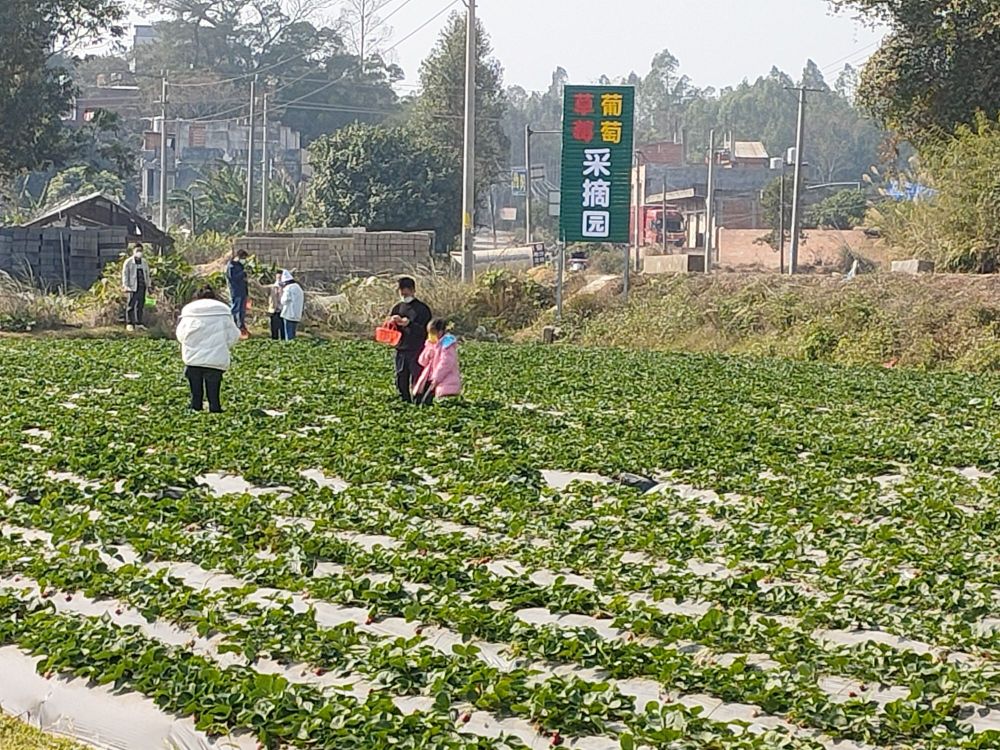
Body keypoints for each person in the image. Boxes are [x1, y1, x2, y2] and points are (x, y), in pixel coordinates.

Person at [175, 286, 241, 413]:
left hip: (193, 358)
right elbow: (234, 335)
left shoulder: (189, 311)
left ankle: (196, 408)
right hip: (215, 359)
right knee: (214, 391)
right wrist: (223, 345)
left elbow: (181, 335)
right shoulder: (223, 311)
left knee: (195, 392)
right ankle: (214, 409)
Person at [387, 277, 432, 403]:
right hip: (401, 349)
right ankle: (404, 401)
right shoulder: (397, 308)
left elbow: (426, 330)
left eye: (406, 292)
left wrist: (409, 324)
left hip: (417, 349)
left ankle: (421, 401)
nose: (403, 295)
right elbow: (391, 331)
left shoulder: (422, 309)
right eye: (401, 292)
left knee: (418, 377)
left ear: (413, 290)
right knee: (401, 376)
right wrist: (392, 323)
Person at [413, 319, 462, 406]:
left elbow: (446, 363)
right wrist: (428, 350)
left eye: (434, 332)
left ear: (441, 331)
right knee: (421, 401)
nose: (432, 335)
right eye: (430, 333)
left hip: (444, 379)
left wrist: (436, 378)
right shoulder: (431, 344)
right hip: (429, 378)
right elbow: (422, 361)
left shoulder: (447, 344)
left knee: (441, 404)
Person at [121, 247, 151, 331]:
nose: (139, 252)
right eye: (137, 251)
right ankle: (129, 323)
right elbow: (125, 274)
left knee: (140, 305)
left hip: (142, 286)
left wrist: (148, 285)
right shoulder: (128, 262)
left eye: (140, 251)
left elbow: (147, 274)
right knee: (131, 305)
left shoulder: (144, 262)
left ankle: (139, 323)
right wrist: (125, 285)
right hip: (132, 287)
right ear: (133, 251)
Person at [225, 250, 250, 333]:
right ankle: (233, 324)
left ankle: (241, 325)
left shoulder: (240, 265)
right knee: (236, 308)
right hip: (236, 290)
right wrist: (243, 273)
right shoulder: (231, 266)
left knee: (242, 310)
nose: (244, 260)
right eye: (243, 258)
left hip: (242, 290)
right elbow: (233, 278)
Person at [279, 270, 304, 340]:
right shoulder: (298, 287)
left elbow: (283, 301)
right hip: (296, 315)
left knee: (288, 335)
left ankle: (289, 348)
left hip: (289, 315)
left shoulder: (288, 288)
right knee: (293, 333)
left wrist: (281, 292)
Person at [267, 272, 285, 341]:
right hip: (273, 311)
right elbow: (261, 289)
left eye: (280, 278)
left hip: (282, 311)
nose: (279, 280)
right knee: (274, 328)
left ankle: (283, 342)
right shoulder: (272, 287)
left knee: (282, 328)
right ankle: (274, 341)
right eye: (278, 278)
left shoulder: (286, 288)